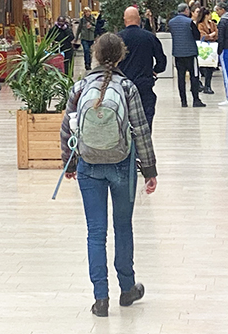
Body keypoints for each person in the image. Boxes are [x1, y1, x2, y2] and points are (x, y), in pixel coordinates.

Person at [61, 32, 157, 318]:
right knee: (123, 227)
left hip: (89, 165)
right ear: (120, 56)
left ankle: (100, 298)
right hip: (122, 164)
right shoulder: (127, 87)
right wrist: (149, 170)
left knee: (95, 233)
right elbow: (140, 130)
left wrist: (69, 163)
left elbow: (68, 126)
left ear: (95, 56)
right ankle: (127, 289)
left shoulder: (79, 86)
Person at [116, 7, 167, 131]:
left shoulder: (117, 39)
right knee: (145, 121)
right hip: (144, 85)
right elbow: (162, 61)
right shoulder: (149, 37)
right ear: (139, 19)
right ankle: (143, 145)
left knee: (123, 121)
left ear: (124, 20)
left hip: (122, 87)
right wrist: (155, 70)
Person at [167, 3, 205, 108]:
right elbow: (196, 35)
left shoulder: (171, 22)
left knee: (181, 77)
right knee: (194, 76)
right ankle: (195, 99)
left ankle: (183, 101)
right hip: (191, 53)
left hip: (178, 54)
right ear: (186, 10)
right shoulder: (189, 22)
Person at [195, 6, 218, 94]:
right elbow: (202, 36)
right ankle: (201, 84)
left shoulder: (212, 24)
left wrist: (211, 36)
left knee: (210, 67)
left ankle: (208, 85)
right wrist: (210, 35)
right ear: (206, 15)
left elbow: (216, 33)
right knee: (203, 66)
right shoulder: (200, 25)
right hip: (203, 48)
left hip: (212, 47)